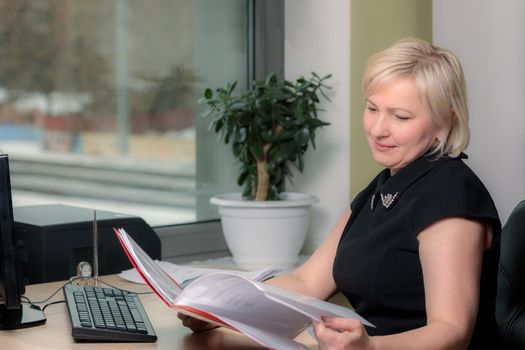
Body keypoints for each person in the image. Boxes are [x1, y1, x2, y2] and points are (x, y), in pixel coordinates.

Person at [178, 38, 501, 350]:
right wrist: (218, 309)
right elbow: (306, 283)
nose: (377, 129)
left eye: (400, 116)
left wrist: (370, 347)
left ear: (446, 121)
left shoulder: (451, 195)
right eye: (372, 108)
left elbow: (452, 332)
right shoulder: (384, 186)